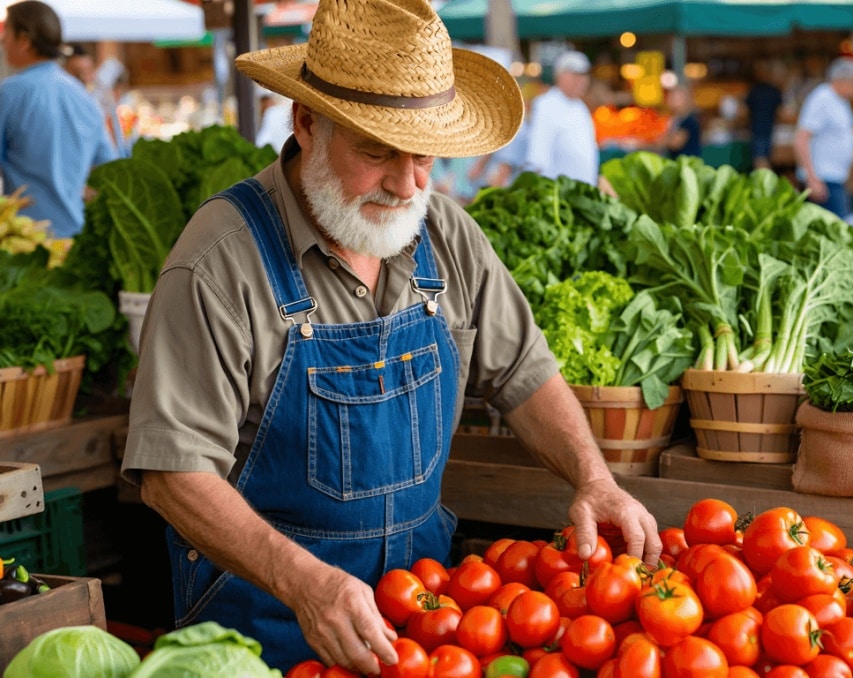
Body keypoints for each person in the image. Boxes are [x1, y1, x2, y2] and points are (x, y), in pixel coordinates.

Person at [119, 0, 662, 673]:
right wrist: (305, 584)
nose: (408, 183)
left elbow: (525, 373)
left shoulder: (446, 234)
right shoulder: (220, 262)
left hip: (426, 625)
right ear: (308, 122)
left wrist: (594, 477)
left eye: (424, 153)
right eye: (377, 151)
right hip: (266, 632)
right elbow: (172, 474)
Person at [0, 1, 117, 238]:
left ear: (24, 40)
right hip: (76, 240)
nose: (1, 40)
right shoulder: (84, 97)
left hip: (27, 242)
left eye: (5, 32)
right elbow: (110, 171)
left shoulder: (10, 93)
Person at [793, 58, 853, 218]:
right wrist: (812, 178)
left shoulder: (841, 101)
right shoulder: (822, 98)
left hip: (835, 177)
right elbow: (801, 139)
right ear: (842, 79)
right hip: (822, 178)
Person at [524, 50, 599, 185]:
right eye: (575, 76)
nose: (581, 82)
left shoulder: (580, 107)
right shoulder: (546, 105)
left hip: (583, 192)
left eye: (583, 76)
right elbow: (538, 158)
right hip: (559, 196)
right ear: (560, 76)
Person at [746, 62, 783, 170]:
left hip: (757, 129)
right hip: (770, 129)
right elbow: (781, 112)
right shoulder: (774, 90)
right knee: (764, 159)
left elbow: (744, 112)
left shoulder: (754, 90)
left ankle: (764, 184)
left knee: (760, 160)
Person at [658, 84, 702, 159]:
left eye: (676, 98)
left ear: (685, 100)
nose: (671, 100)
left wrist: (663, 139)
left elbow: (676, 144)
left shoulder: (690, 120)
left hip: (688, 164)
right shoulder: (674, 119)